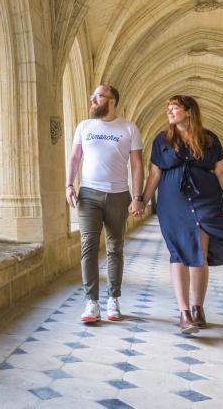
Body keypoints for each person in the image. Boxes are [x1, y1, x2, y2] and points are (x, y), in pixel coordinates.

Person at [143, 95, 223, 334]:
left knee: (200, 252)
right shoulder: (162, 140)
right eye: (168, 108)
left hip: (206, 199)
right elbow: (154, 174)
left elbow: (221, 170)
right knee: (178, 252)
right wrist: (141, 200)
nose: (170, 111)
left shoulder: (209, 138)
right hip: (172, 202)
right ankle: (184, 311)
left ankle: (198, 308)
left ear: (189, 111)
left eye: (175, 107)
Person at [65, 84, 145, 323]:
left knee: (115, 248)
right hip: (88, 194)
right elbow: (75, 157)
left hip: (119, 195)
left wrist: (138, 197)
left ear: (111, 101)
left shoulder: (129, 128)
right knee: (88, 246)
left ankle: (113, 299)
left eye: (98, 97)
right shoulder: (84, 126)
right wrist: (69, 185)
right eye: (93, 96)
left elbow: (138, 165)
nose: (93, 100)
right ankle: (91, 302)